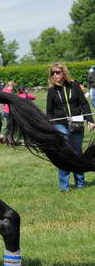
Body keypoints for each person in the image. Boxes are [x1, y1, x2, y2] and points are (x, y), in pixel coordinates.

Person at [46, 62, 95, 191]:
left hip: (77, 122)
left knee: (77, 152)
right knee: (64, 153)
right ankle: (64, 187)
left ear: (63, 73)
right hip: (60, 124)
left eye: (58, 72)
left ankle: (80, 184)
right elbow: (49, 111)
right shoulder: (51, 90)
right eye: (53, 73)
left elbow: (84, 104)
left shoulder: (74, 85)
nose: (55, 75)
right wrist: (50, 127)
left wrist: (90, 120)